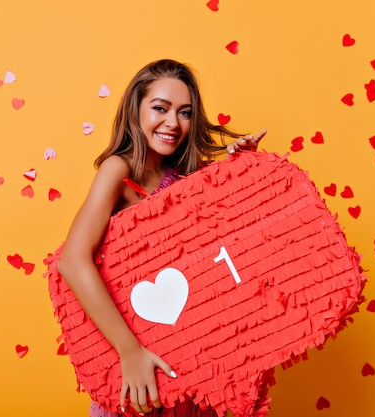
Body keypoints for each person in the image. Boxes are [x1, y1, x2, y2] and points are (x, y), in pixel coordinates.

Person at [56, 59, 266, 417]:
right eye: (160, 108)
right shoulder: (120, 170)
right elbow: (73, 261)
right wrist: (129, 352)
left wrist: (239, 174)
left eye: (185, 112)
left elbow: (223, 254)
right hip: (141, 364)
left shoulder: (186, 175)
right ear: (135, 109)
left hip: (189, 364)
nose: (173, 123)